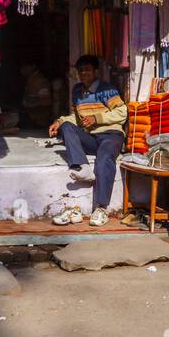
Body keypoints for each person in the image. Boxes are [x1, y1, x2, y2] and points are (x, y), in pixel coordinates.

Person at [49, 55, 127, 226]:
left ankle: (101, 208)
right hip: (91, 138)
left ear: (96, 72)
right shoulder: (77, 91)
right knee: (67, 127)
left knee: (104, 159)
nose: (83, 73)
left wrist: (97, 118)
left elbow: (122, 112)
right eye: (81, 70)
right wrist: (60, 121)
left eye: (87, 70)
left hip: (111, 135)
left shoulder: (107, 90)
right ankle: (82, 167)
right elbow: (76, 118)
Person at [19, 61, 52, 130]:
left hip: (38, 121)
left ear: (33, 66)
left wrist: (28, 112)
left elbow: (46, 104)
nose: (22, 70)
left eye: (25, 67)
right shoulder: (30, 80)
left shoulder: (40, 81)